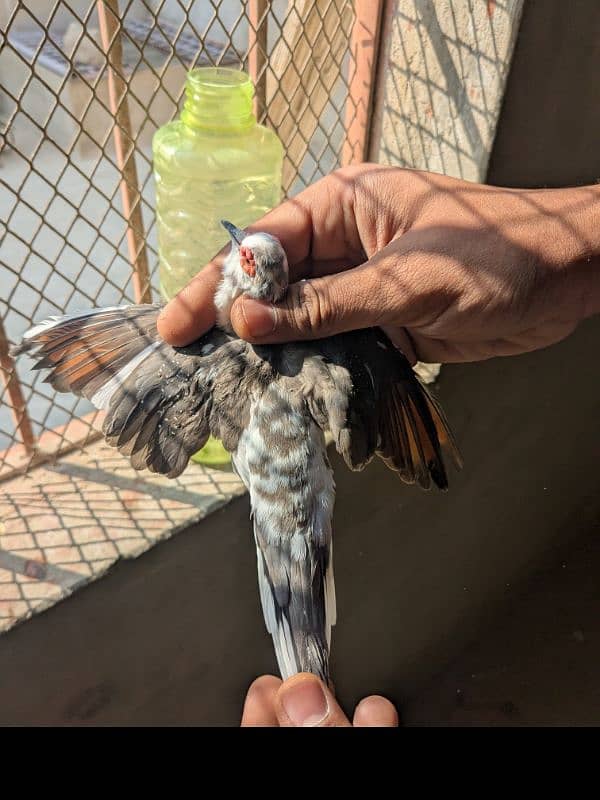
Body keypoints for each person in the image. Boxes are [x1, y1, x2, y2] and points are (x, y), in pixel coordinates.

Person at [157, 164, 600, 726]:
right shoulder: (301, 344)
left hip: (287, 479)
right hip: (279, 474)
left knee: (298, 604)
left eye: (243, 256)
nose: (237, 251)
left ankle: (307, 657)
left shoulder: (286, 335)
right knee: (298, 606)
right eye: (244, 252)